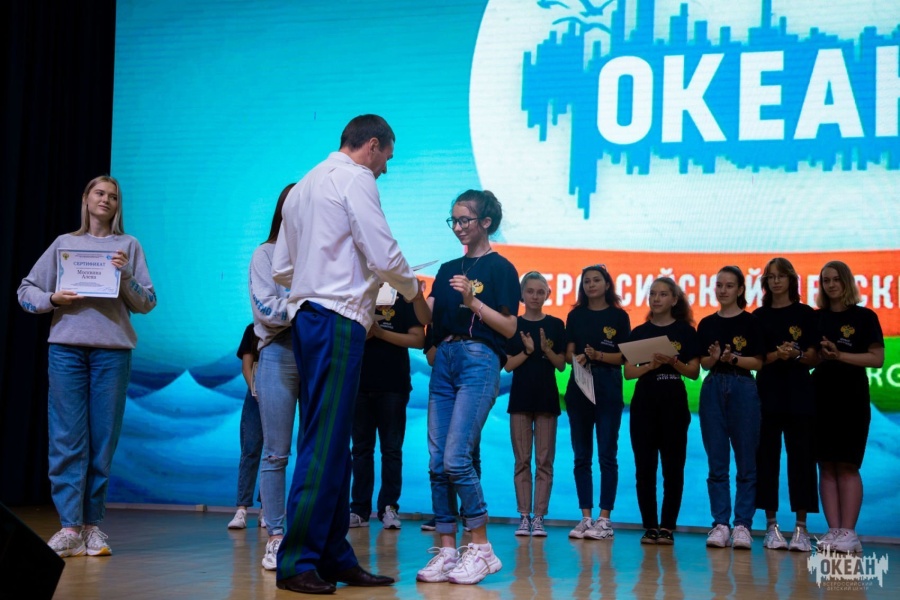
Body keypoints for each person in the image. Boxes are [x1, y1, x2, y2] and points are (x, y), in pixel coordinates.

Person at [271, 114, 419, 594]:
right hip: (336, 319)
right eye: (386, 159)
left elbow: (283, 268)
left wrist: (323, 273)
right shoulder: (355, 178)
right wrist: (414, 291)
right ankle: (297, 560)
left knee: (331, 441)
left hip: (308, 316)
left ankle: (332, 554)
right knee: (324, 443)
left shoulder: (302, 186)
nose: (385, 169)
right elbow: (383, 252)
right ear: (372, 145)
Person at [17, 175, 156, 557]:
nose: (106, 199)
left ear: (118, 205)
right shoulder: (64, 244)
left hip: (112, 351)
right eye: (99, 193)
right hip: (67, 350)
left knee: (102, 439)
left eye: (113, 196)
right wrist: (53, 299)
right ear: (86, 199)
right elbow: (25, 291)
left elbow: (147, 302)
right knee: (66, 438)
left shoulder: (129, 246)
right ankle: (69, 527)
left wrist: (125, 276)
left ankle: (92, 526)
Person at [412, 189, 519, 585]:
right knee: (437, 461)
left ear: (485, 222)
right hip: (445, 360)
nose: (457, 227)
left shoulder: (500, 268)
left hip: (479, 359)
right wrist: (412, 293)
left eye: (464, 220)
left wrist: (473, 301)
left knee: (457, 458)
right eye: (453, 220)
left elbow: (509, 328)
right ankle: (447, 550)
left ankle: (482, 547)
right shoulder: (447, 268)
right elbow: (426, 317)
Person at [813, 261, 884, 553]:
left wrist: (840, 355)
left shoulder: (864, 317)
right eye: (826, 280)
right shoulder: (816, 318)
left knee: (847, 464)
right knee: (825, 463)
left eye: (836, 279)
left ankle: (849, 532)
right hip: (820, 395)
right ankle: (833, 531)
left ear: (846, 282)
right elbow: (812, 357)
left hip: (851, 397)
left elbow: (876, 359)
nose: (831, 285)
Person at [623, 277, 700, 545]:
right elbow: (629, 372)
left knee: (673, 468)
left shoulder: (685, 332)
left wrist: (673, 362)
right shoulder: (640, 332)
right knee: (645, 468)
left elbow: (694, 372)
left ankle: (667, 526)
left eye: (663, 294)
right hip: (644, 405)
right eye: (653, 294)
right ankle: (650, 526)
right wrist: (650, 366)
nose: (656, 299)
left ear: (674, 299)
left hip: (674, 405)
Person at [251, 183, 303, 572]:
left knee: (319, 451)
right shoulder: (265, 254)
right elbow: (266, 310)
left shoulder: (323, 255)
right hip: (278, 353)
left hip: (318, 353)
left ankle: (311, 535)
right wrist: (308, 306)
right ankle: (276, 536)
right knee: (275, 452)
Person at [752, 258, 820, 552]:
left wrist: (796, 355)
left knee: (802, 459)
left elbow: (815, 357)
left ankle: (801, 529)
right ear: (765, 283)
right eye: (771, 277)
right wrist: (776, 356)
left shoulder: (805, 314)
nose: (776, 281)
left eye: (781, 276)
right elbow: (756, 360)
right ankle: (771, 527)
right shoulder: (758, 316)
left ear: (792, 279)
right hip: (767, 394)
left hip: (800, 394)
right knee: (766, 459)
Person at [697, 266, 765, 550]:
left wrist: (733, 358)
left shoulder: (751, 322)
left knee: (747, 461)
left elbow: (758, 362)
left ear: (740, 290)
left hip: (743, 387)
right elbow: (703, 363)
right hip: (713, 386)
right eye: (719, 285)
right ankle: (720, 524)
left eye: (728, 285)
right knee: (717, 461)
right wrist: (714, 358)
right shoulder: (707, 323)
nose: (722, 290)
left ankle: (743, 525)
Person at [563, 264, 631, 541]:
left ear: (607, 284)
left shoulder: (619, 316)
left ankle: (604, 519)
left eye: (596, 280)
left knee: (607, 454)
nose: (591, 285)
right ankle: (585, 517)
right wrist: (577, 358)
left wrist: (598, 356)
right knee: (581, 455)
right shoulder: (575, 315)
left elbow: (624, 357)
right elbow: (568, 352)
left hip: (608, 385)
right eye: (586, 281)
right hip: (580, 384)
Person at [349, 294, 425, 529]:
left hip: (393, 386)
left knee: (391, 450)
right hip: (358, 385)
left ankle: (389, 507)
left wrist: (381, 333)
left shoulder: (402, 298)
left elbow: (419, 339)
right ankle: (359, 509)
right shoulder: (356, 294)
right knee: (361, 450)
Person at [503, 271, 566, 537]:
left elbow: (561, 365)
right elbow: (508, 365)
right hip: (520, 399)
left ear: (548, 294)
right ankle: (524, 516)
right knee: (522, 460)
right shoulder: (513, 324)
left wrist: (545, 349)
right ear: (522, 294)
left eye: (541, 292)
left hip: (547, 399)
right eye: (530, 291)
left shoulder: (556, 324)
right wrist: (528, 351)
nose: (535, 296)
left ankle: (539, 518)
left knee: (544, 461)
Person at [419, 326, 483, 534]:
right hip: (443, 381)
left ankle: (470, 514)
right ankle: (445, 516)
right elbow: (431, 358)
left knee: (466, 454)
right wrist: (447, 346)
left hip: (471, 380)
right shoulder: (439, 319)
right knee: (438, 458)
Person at [227, 323, 265, 530]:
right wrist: (256, 391)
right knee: (250, 450)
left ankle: (266, 509)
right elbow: (246, 367)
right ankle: (241, 509)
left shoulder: (287, 330)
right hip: (255, 397)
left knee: (274, 454)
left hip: (280, 396)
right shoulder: (253, 330)